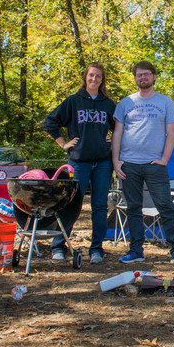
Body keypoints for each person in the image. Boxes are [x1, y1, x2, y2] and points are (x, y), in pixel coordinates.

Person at [111, 60, 174, 265]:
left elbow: (172, 134)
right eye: (139, 75)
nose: (143, 78)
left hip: (155, 166)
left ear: (154, 77)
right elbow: (117, 134)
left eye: (147, 74)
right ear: (135, 78)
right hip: (129, 164)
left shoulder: (166, 102)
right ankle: (136, 250)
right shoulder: (125, 103)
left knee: (166, 207)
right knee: (133, 208)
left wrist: (164, 159)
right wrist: (116, 161)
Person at [43, 62, 116, 264]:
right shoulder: (73, 102)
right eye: (91, 75)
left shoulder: (108, 104)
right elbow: (50, 123)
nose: (94, 79)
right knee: (70, 204)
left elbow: (120, 128)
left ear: (102, 80)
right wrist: (63, 144)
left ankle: (96, 249)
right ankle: (59, 246)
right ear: (85, 77)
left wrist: (112, 138)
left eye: (98, 76)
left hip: (103, 163)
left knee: (100, 206)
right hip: (78, 163)